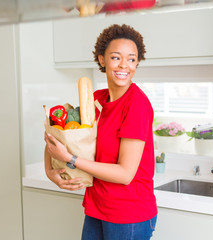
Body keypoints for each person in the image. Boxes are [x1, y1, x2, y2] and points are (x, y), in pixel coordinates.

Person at [44, 24, 157, 240]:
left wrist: (70, 159)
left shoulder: (137, 104)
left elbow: (125, 174)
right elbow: (63, 137)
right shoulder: (95, 99)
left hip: (129, 215)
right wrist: (51, 172)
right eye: (116, 57)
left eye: (132, 59)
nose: (124, 65)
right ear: (102, 60)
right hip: (97, 207)